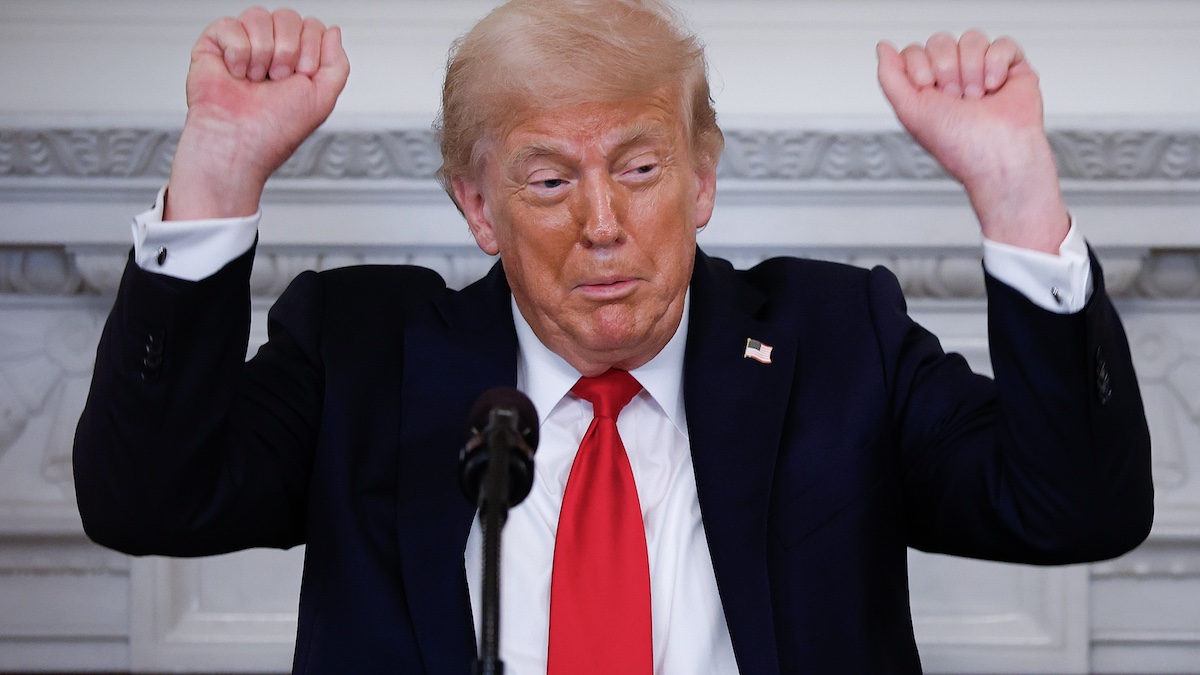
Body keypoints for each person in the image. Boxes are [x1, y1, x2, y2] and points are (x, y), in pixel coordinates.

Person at [73, 1, 1154, 673]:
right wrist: (218, 172)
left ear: (702, 181)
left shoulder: (838, 342)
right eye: (549, 181)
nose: (603, 222)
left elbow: (1077, 507)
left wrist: (1017, 194)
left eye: (639, 168)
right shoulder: (361, 350)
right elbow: (146, 500)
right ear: (478, 206)